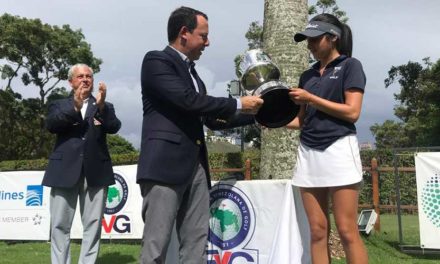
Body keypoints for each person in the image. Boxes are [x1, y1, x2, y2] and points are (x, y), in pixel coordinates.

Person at [136, 6, 264, 264]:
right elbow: (188, 101)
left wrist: (260, 114)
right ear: (184, 33)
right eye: (203, 35)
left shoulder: (194, 75)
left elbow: (211, 119)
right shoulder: (156, 61)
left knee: (196, 242)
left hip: (196, 167)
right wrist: (239, 103)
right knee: (156, 246)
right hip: (164, 168)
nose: (208, 42)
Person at [286, 14, 368, 264]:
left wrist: (311, 99)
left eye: (314, 39)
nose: (309, 45)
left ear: (333, 38)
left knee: (347, 230)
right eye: (307, 40)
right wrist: (267, 119)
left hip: (339, 149)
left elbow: (352, 112)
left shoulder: (350, 66)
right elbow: (301, 120)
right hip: (308, 153)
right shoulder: (307, 76)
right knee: (318, 230)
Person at [42, 63, 121, 264]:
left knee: (93, 226)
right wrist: (75, 106)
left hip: (96, 172)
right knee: (60, 225)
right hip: (63, 172)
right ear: (71, 82)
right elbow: (52, 125)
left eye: (89, 76)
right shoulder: (58, 104)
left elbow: (114, 127)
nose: (85, 79)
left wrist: (101, 107)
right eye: (80, 76)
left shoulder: (104, 106)